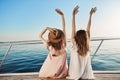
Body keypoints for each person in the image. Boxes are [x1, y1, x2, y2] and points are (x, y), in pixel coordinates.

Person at [68, 6, 97, 80]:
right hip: (87, 75)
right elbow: (88, 28)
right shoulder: (87, 46)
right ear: (86, 37)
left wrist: (73, 15)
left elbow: (73, 28)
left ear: (76, 37)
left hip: (74, 75)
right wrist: (90, 15)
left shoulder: (74, 45)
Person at [39, 9, 68, 78]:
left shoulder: (50, 47)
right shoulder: (64, 45)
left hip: (47, 72)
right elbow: (64, 27)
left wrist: (46, 28)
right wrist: (62, 16)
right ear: (62, 37)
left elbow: (40, 36)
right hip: (61, 74)